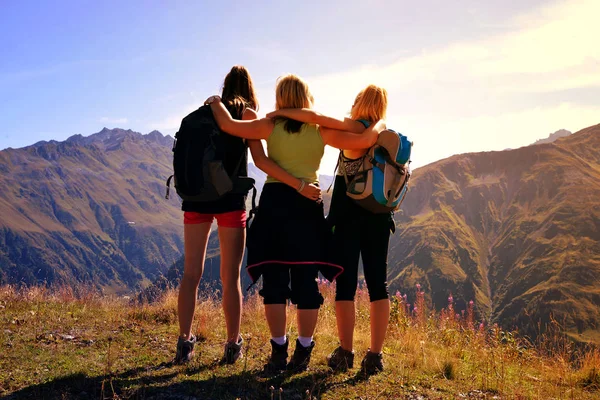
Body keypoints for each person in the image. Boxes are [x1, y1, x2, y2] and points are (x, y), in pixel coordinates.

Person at [206, 74, 385, 373]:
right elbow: (365, 138)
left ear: (280, 99)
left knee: (274, 282)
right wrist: (379, 122)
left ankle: (278, 352)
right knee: (305, 283)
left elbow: (229, 126)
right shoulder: (319, 130)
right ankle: (303, 351)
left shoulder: (269, 126)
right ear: (305, 99)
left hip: (276, 203)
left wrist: (215, 103)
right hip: (307, 205)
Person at [175, 66, 321, 365]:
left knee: (191, 274)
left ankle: (184, 343)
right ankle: (231, 345)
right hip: (231, 201)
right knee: (230, 278)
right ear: (250, 89)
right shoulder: (248, 114)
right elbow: (258, 158)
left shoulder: (201, 115)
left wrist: (215, 102)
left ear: (225, 86)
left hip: (195, 200)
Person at [266, 84, 393, 376]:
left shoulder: (356, 131)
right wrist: (381, 123)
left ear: (359, 102)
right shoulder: (387, 136)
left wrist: (281, 112)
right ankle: (375, 356)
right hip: (380, 217)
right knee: (378, 285)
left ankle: (346, 352)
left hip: (350, 217)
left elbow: (314, 115)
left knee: (346, 287)